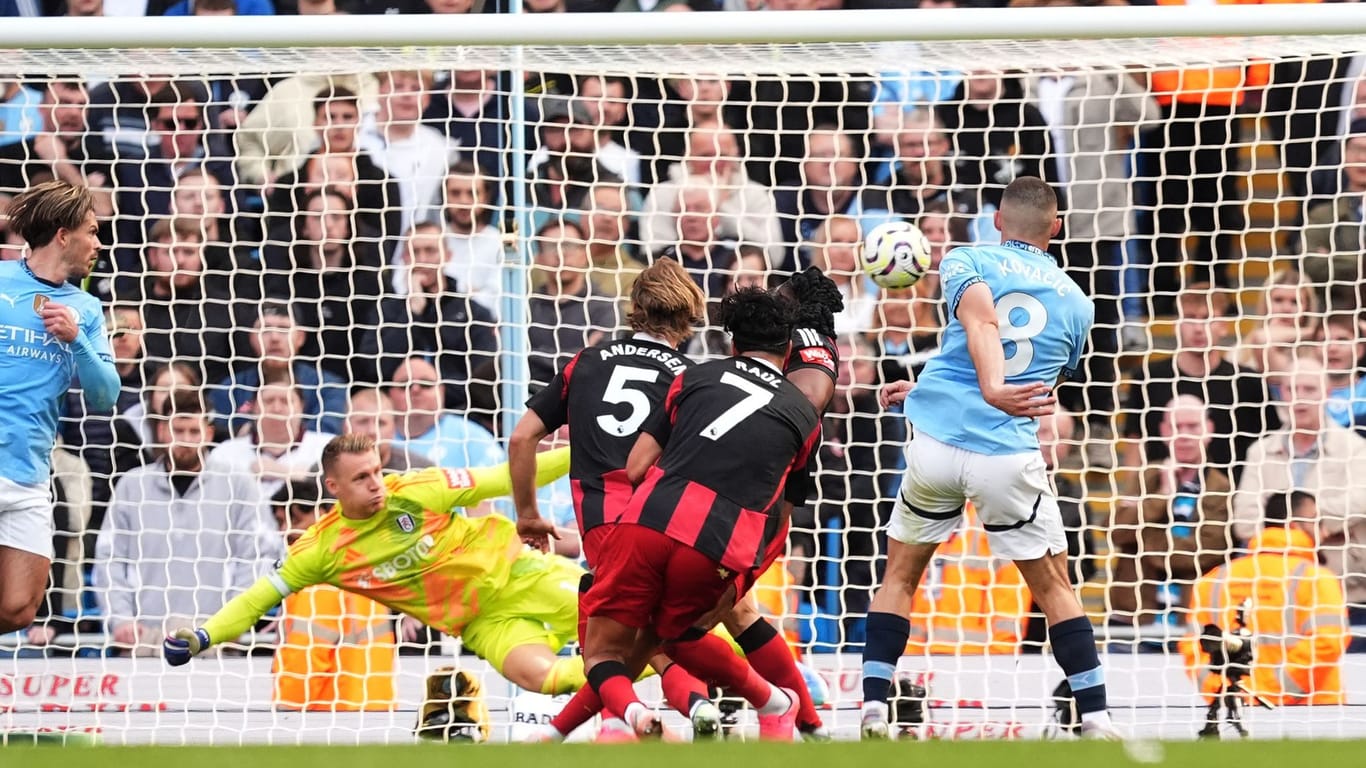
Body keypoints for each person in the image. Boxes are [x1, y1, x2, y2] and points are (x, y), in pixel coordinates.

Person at [859, 177, 1115, 739]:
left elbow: (979, 322)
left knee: (900, 575)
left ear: (996, 221)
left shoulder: (966, 258)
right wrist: (993, 391)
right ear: (1058, 227)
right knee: (1053, 588)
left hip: (936, 447)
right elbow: (1037, 372)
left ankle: (874, 708)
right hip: (1006, 454)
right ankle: (1094, 716)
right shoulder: (1079, 302)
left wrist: (942, 390)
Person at [163, 434, 586, 696]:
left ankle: (645, 692)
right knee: (548, 679)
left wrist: (586, 448)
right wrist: (204, 635)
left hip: (522, 575)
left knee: (627, 630)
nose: (376, 485)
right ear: (333, 487)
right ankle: (639, 690)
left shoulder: (416, 490)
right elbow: (257, 599)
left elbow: (502, 478)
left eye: (377, 472)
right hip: (481, 622)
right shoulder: (321, 551)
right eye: (362, 478)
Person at [577, 287, 820, 740]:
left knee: (610, 645)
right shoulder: (804, 415)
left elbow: (634, 468)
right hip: (727, 543)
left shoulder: (696, 377)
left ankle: (616, 721)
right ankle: (793, 713)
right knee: (681, 632)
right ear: (787, 351)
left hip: (646, 520)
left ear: (732, 344)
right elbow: (782, 512)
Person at [509, 258, 716, 739]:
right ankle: (696, 707)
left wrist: (528, 515)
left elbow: (522, 440)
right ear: (687, 319)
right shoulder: (692, 376)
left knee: (607, 639)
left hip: (605, 525)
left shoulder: (585, 362)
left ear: (633, 309)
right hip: (668, 523)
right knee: (654, 635)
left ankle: (628, 720)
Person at [0, 179, 118, 635]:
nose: (98, 243)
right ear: (64, 235)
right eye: (92, 230)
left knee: (18, 609)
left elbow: (105, 395)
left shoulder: (85, 309)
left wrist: (78, 343)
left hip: (29, 473)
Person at [1181, 491, 1347, 706]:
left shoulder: (1214, 580)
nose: (1324, 532)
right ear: (1296, 525)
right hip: (1313, 714)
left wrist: (1229, 693)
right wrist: (1268, 694)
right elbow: (1328, 643)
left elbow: (1194, 648)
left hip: (1233, 713)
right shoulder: (1317, 579)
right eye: (1317, 521)